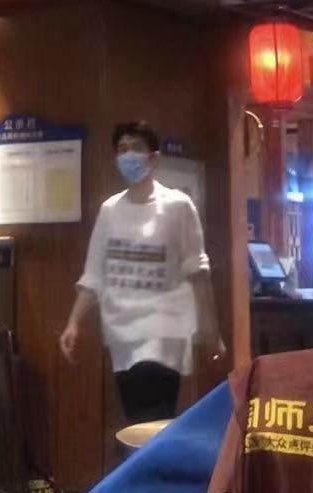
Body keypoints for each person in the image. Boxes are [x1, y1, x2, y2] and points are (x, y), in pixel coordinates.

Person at [60, 121, 224, 424]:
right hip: (122, 334)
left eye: (136, 148)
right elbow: (94, 275)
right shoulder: (110, 210)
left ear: (154, 158)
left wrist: (211, 332)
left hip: (165, 331)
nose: (129, 156)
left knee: (151, 420)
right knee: (137, 421)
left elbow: (198, 274)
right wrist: (73, 323)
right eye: (122, 149)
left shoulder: (177, 206)